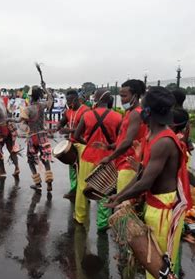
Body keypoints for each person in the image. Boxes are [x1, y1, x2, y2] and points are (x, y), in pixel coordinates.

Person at [105, 86, 192, 279]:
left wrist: (121, 198)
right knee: (153, 268)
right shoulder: (151, 136)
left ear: (148, 112)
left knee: (158, 271)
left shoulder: (164, 141)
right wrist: (121, 194)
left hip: (163, 211)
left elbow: (146, 181)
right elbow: (142, 173)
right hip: (154, 205)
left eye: (143, 105)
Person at [73, 89, 122, 231]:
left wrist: (87, 142)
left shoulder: (87, 115)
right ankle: (102, 222)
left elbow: (76, 136)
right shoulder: (118, 117)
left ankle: (80, 217)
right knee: (105, 190)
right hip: (108, 158)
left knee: (82, 187)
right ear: (109, 100)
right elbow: (120, 140)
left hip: (88, 156)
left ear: (97, 99)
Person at [98, 79, 147, 200]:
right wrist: (110, 146)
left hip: (128, 165)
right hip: (123, 163)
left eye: (124, 96)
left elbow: (128, 141)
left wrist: (110, 157)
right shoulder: (130, 112)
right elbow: (123, 139)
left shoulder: (136, 113)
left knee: (122, 206)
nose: (122, 99)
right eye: (120, 96)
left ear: (135, 96)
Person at [56, 89, 90, 200]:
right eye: (67, 100)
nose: (68, 103)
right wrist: (58, 126)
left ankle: (82, 194)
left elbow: (86, 128)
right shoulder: (68, 111)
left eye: (70, 101)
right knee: (73, 170)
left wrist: (69, 131)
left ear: (76, 99)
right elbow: (62, 121)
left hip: (82, 144)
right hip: (71, 144)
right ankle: (74, 191)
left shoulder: (86, 111)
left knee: (81, 171)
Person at [20, 82, 54, 191]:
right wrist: (46, 89)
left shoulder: (27, 109)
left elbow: (23, 124)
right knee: (45, 159)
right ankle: (49, 183)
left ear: (31, 97)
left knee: (30, 160)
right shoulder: (42, 105)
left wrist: (25, 129)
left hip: (32, 137)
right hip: (43, 136)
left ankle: (38, 183)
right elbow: (51, 100)